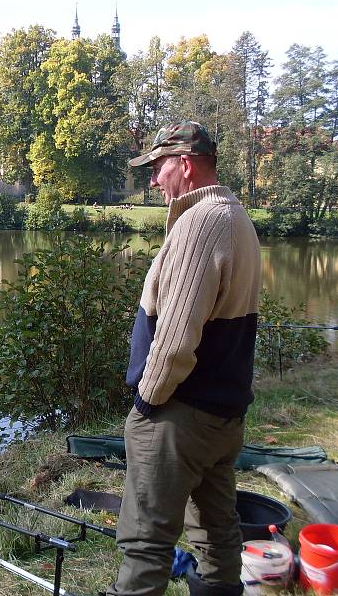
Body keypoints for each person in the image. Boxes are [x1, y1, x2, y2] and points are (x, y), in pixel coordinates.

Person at [107, 121, 261, 596]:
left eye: (158, 167)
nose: (154, 180)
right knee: (217, 535)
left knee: (145, 544)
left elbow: (175, 339)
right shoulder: (236, 217)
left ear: (186, 164)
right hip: (222, 415)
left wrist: (147, 405)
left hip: (180, 416)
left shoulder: (201, 223)